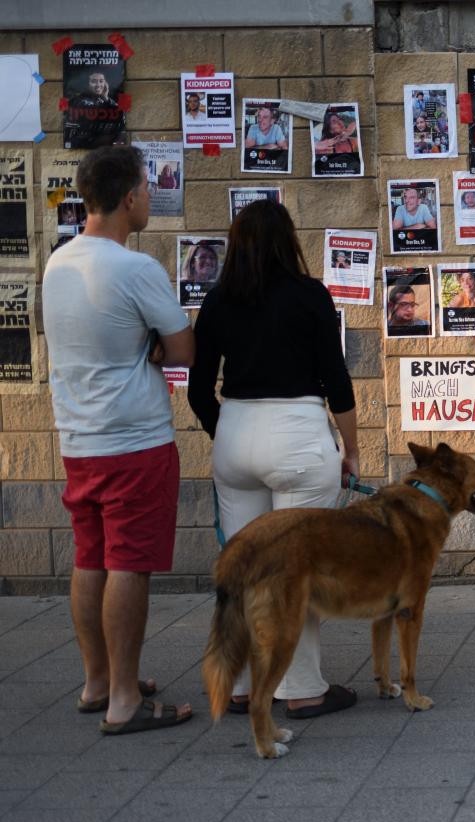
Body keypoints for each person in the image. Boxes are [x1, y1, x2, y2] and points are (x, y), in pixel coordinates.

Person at [42, 145, 196, 734]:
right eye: (146, 189)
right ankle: (126, 701)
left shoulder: (59, 261)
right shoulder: (135, 268)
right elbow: (183, 349)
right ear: (130, 197)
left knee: (91, 558)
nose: (150, 197)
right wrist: (153, 347)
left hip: (79, 438)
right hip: (134, 440)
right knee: (129, 563)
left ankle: (98, 681)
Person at [187, 199, 359, 720]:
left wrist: (230, 433)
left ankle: (240, 685)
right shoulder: (310, 296)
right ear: (290, 243)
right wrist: (351, 450)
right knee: (296, 572)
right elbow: (338, 383)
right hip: (300, 438)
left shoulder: (217, 302)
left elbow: (198, 391)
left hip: (236, 437)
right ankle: (301, 687)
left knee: (246, 570)